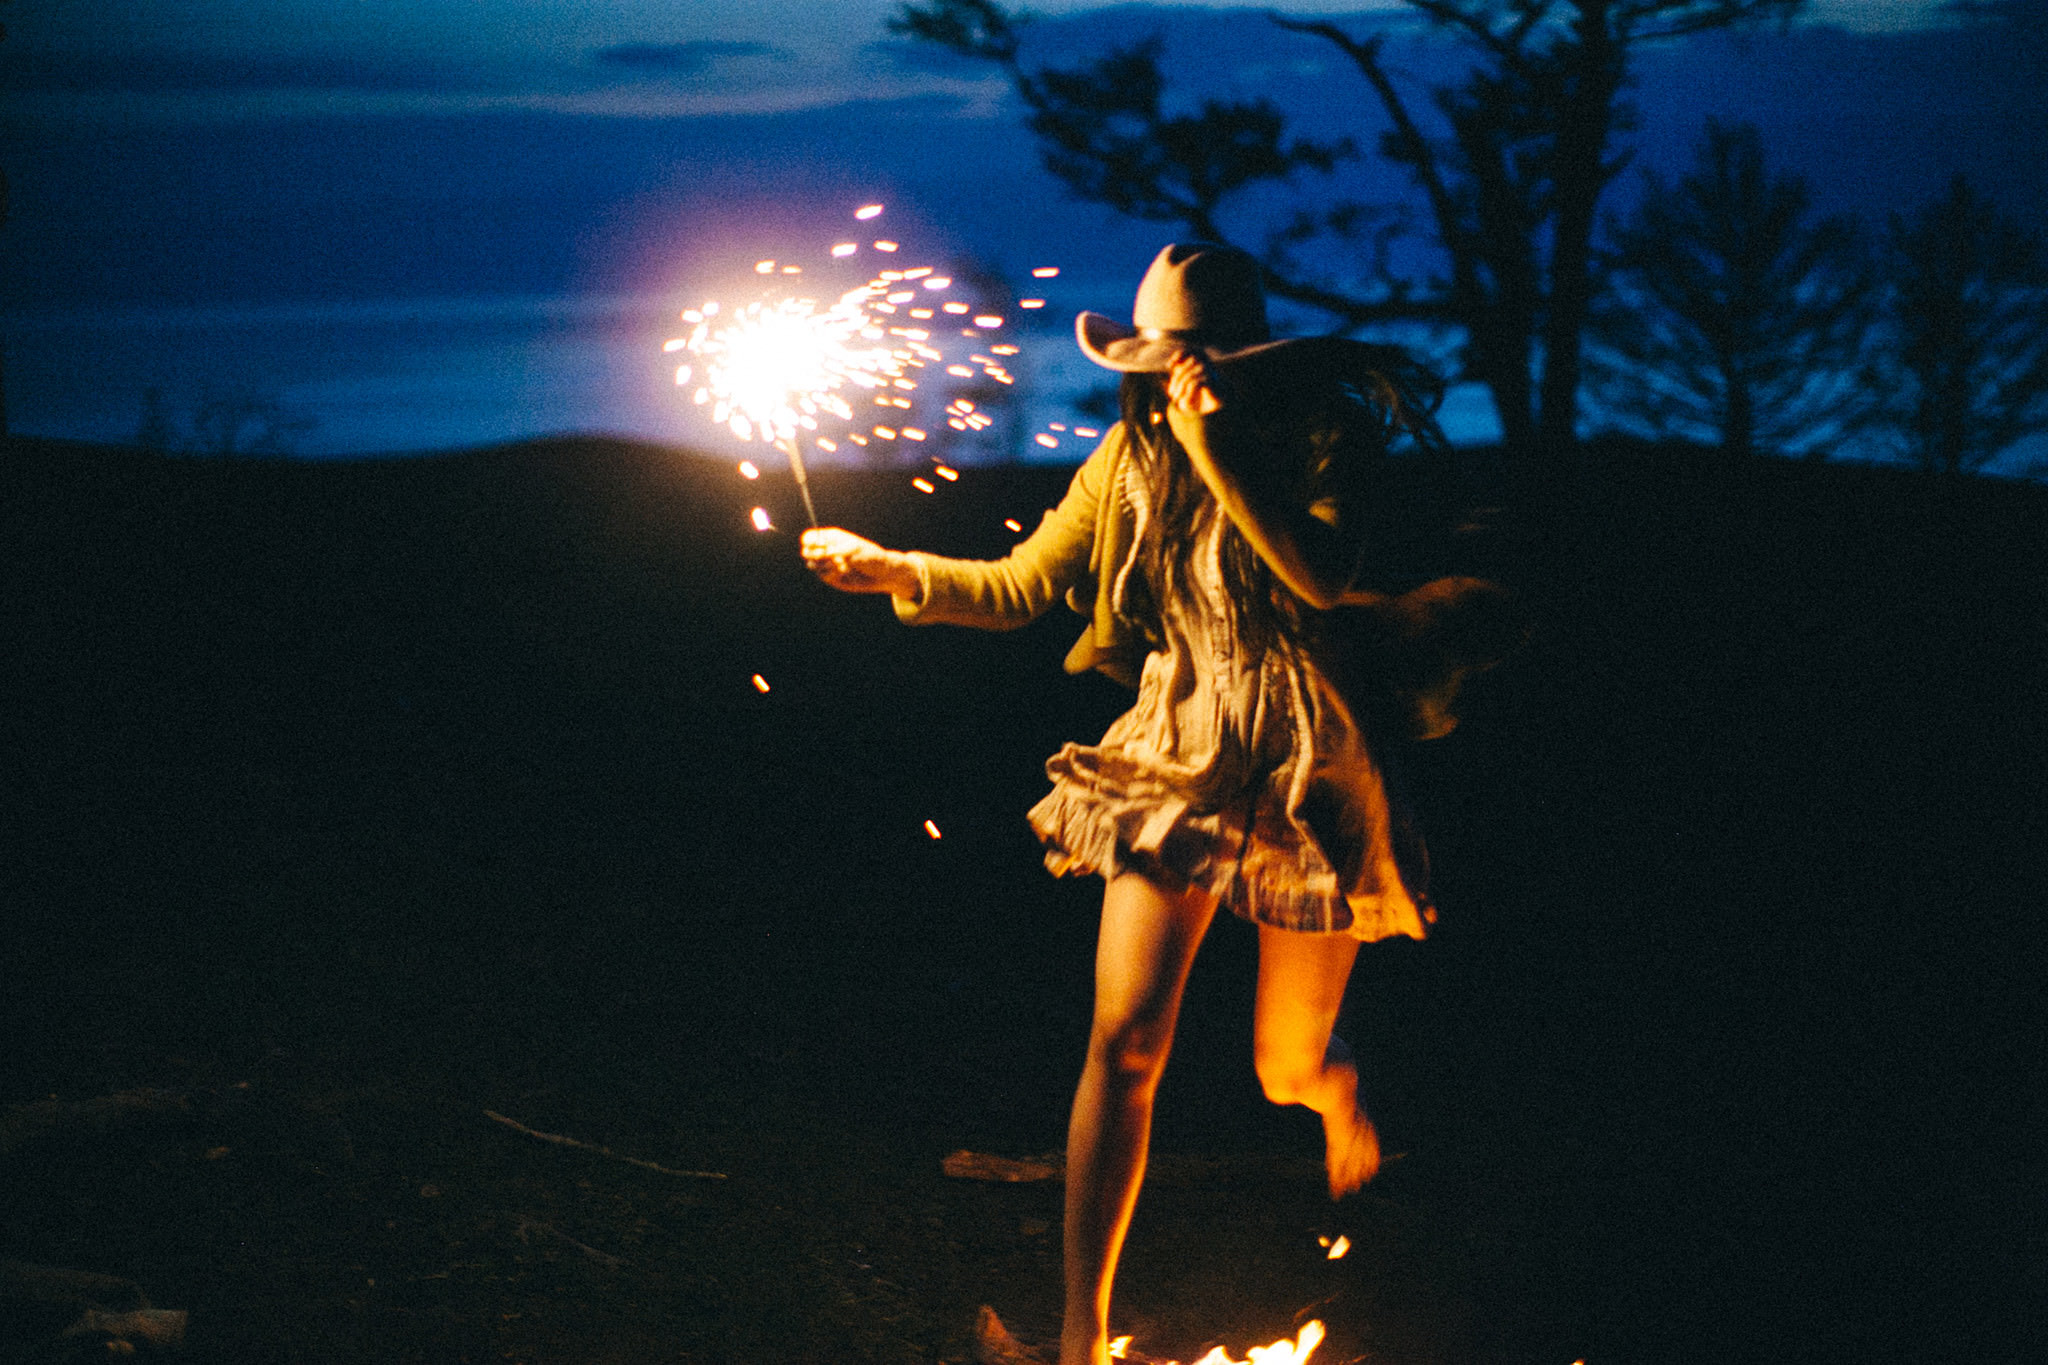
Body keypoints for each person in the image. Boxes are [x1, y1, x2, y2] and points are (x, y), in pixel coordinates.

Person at [801, 243, 1511, 1365]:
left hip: (1302, 763)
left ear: (1243, 360)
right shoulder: (1124, 461)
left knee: (1281, 1066)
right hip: (1174, 749)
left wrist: (1218, 449)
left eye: (1195, 361)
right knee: (1124, 1044)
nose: (1173, 383)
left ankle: (1332, 1096)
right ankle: (1079, 1338)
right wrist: (895, 568)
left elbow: (1316, 579)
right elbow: (1023, 584)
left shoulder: (1322, 441)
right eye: (1160, 363)